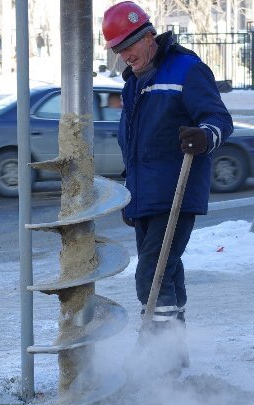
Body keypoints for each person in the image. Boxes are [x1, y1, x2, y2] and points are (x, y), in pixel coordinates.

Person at [102, 2, 233, 365]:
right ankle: (175, 357)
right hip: (146, 198)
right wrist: (132, 200)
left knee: (152, 276)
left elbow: (219, 118)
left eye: (129, 45)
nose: (124, 55)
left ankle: (158, 354)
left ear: (148, 36)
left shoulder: (187, 69)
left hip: (177, 191)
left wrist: (204, 136)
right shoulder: (132, 85)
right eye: (117, 49)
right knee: (167, 272)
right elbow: (132, 145)